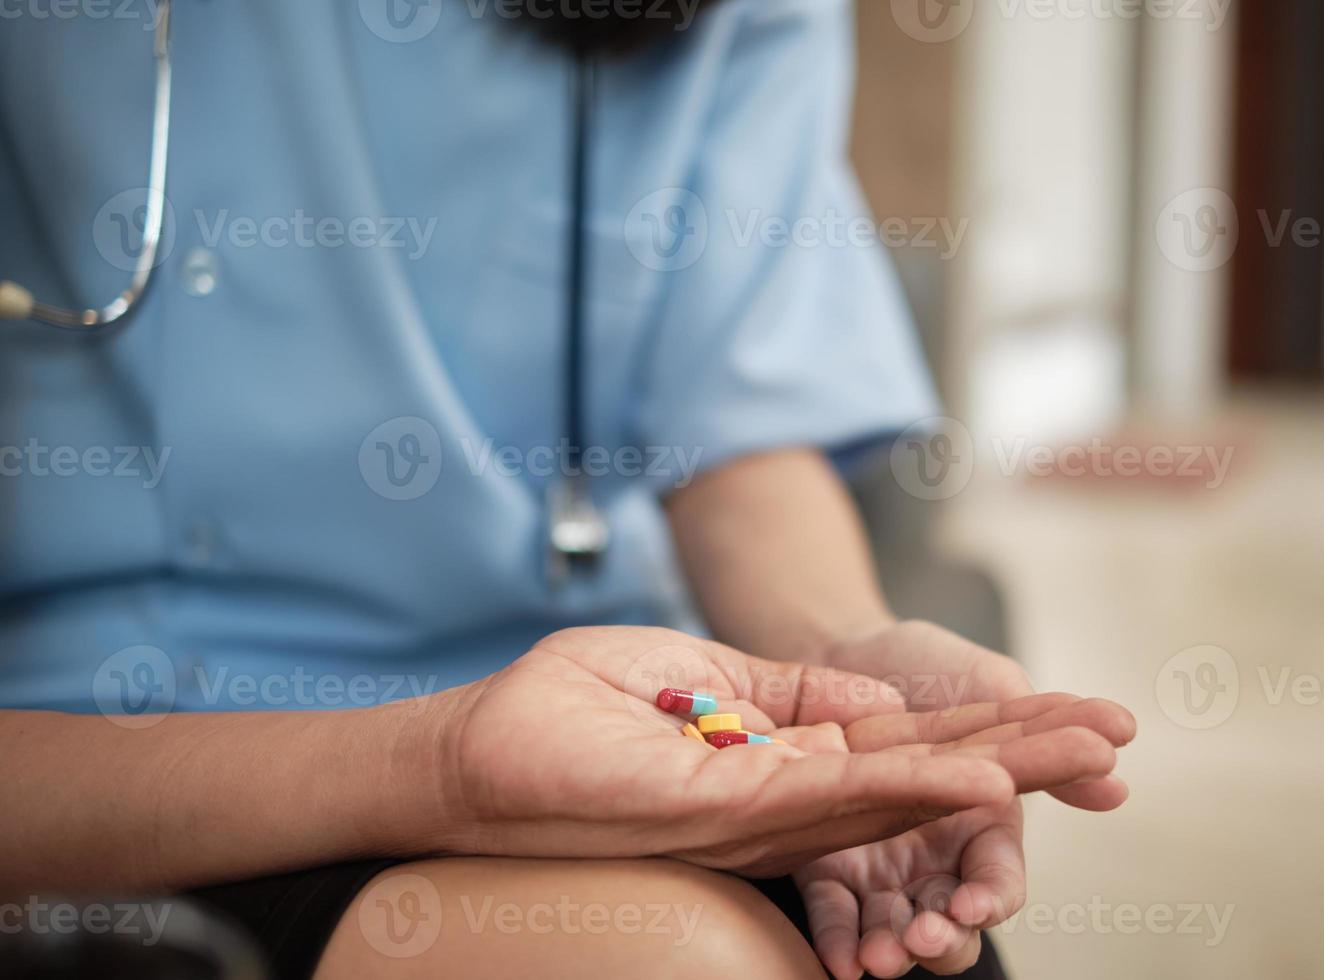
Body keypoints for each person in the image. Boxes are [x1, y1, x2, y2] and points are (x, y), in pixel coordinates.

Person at [0, 2, 1135, 978]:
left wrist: (841, 658)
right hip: (89, 770)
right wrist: (440, 765)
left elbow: (737, 424)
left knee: (903, 945)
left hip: (587, 731)